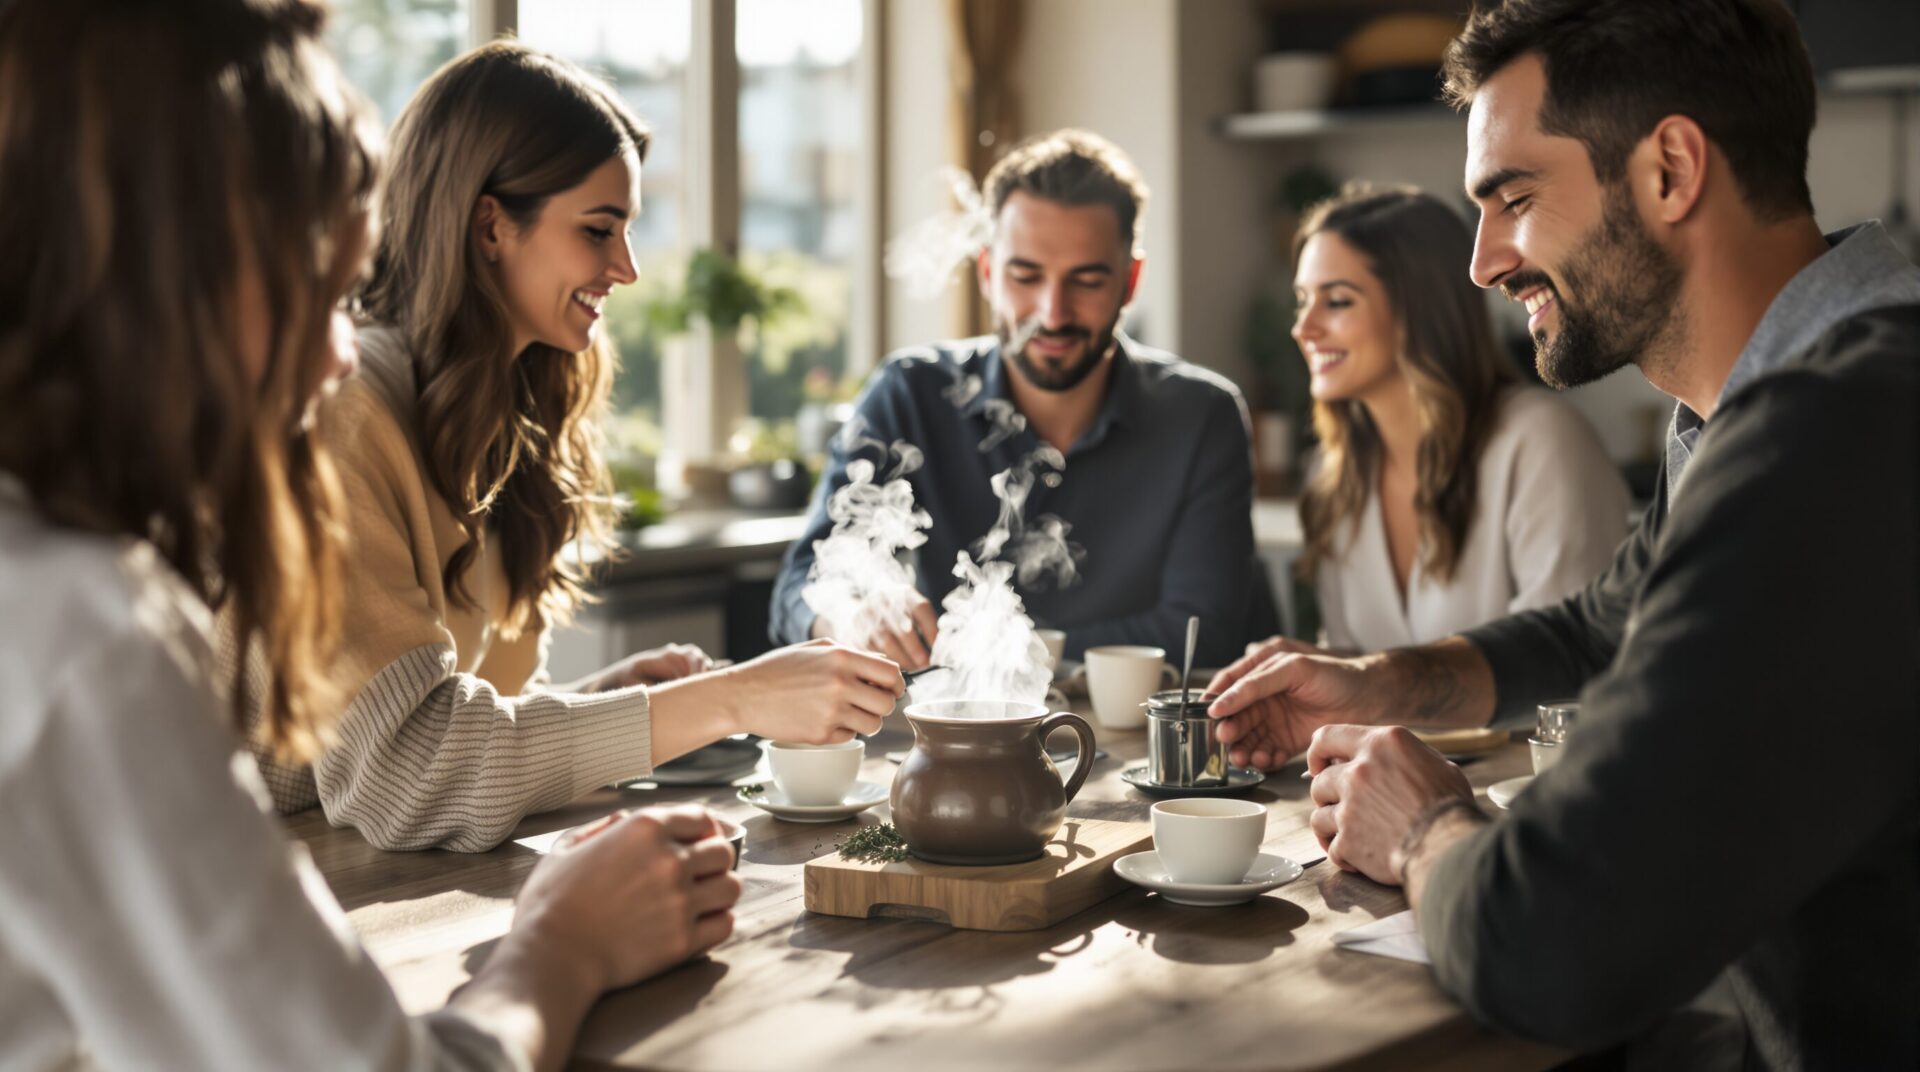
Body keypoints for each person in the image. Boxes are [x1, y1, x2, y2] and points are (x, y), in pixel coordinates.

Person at [0, 2, 740, 1068]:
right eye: (320, 287)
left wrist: (596, 712)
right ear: (183, 268)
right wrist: (558, 944)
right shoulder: (82, 637)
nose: (343, 356)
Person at [1206, 0, 1919, 1064]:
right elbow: (1597, 629)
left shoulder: (1834, 436)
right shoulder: (1758, 410)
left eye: (1515, 199)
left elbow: (1552, 942)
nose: (1484, 263)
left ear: (1671, 170)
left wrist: (1422, 828)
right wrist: (1377, 680)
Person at [244, 42, 904, 853]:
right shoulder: (346, 412)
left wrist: (606, 702)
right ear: (491, 225)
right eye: (599, 229)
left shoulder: (501, 414)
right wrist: (734, 700)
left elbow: (445, 727)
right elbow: (408, 774)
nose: (624, 268)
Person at [770, 129, 1267, 671]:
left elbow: (1202, 631)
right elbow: (798, 591)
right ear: (987, 273)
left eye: (1087, 280)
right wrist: (843, 615)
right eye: (1026, 276)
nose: (1052, 313)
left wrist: (982, 651)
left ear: (1131, 280)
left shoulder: (1200, 416)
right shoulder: (910, 394)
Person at [1285, 182, 1626, 653]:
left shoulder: (1539, 444)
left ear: (1420, 310)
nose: (1304, 328)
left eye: (1338, 300)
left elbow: (1573, 662)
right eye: (1303, 300)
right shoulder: (1332, 477)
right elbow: (1359, 669)